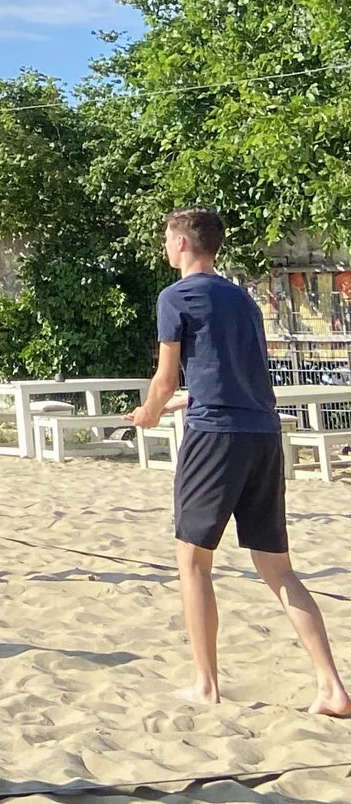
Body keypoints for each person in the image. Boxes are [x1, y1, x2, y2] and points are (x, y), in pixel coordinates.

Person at [127, 208, 351, 715]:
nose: (166, 246)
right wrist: (181, 400)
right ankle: (332, 686)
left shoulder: (176, 296)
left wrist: (150, 411)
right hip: (262, 434)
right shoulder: (243, 298)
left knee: (192, 561)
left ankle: (205, 684)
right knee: (278, 569)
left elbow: (164, 380)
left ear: (182, 244)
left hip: (216, 438)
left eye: (167, 238)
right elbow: (229, 377)